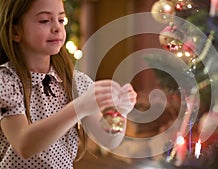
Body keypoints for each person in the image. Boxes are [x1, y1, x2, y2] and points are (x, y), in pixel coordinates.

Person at [0, 0, 137, 169]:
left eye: (61, 20)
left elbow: (108, 140)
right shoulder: (6, 81)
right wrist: (78, 107)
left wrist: (119, 113)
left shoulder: (77, 82)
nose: (57, 28)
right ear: (15, 31)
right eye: (44, 20)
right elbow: (24, 144)